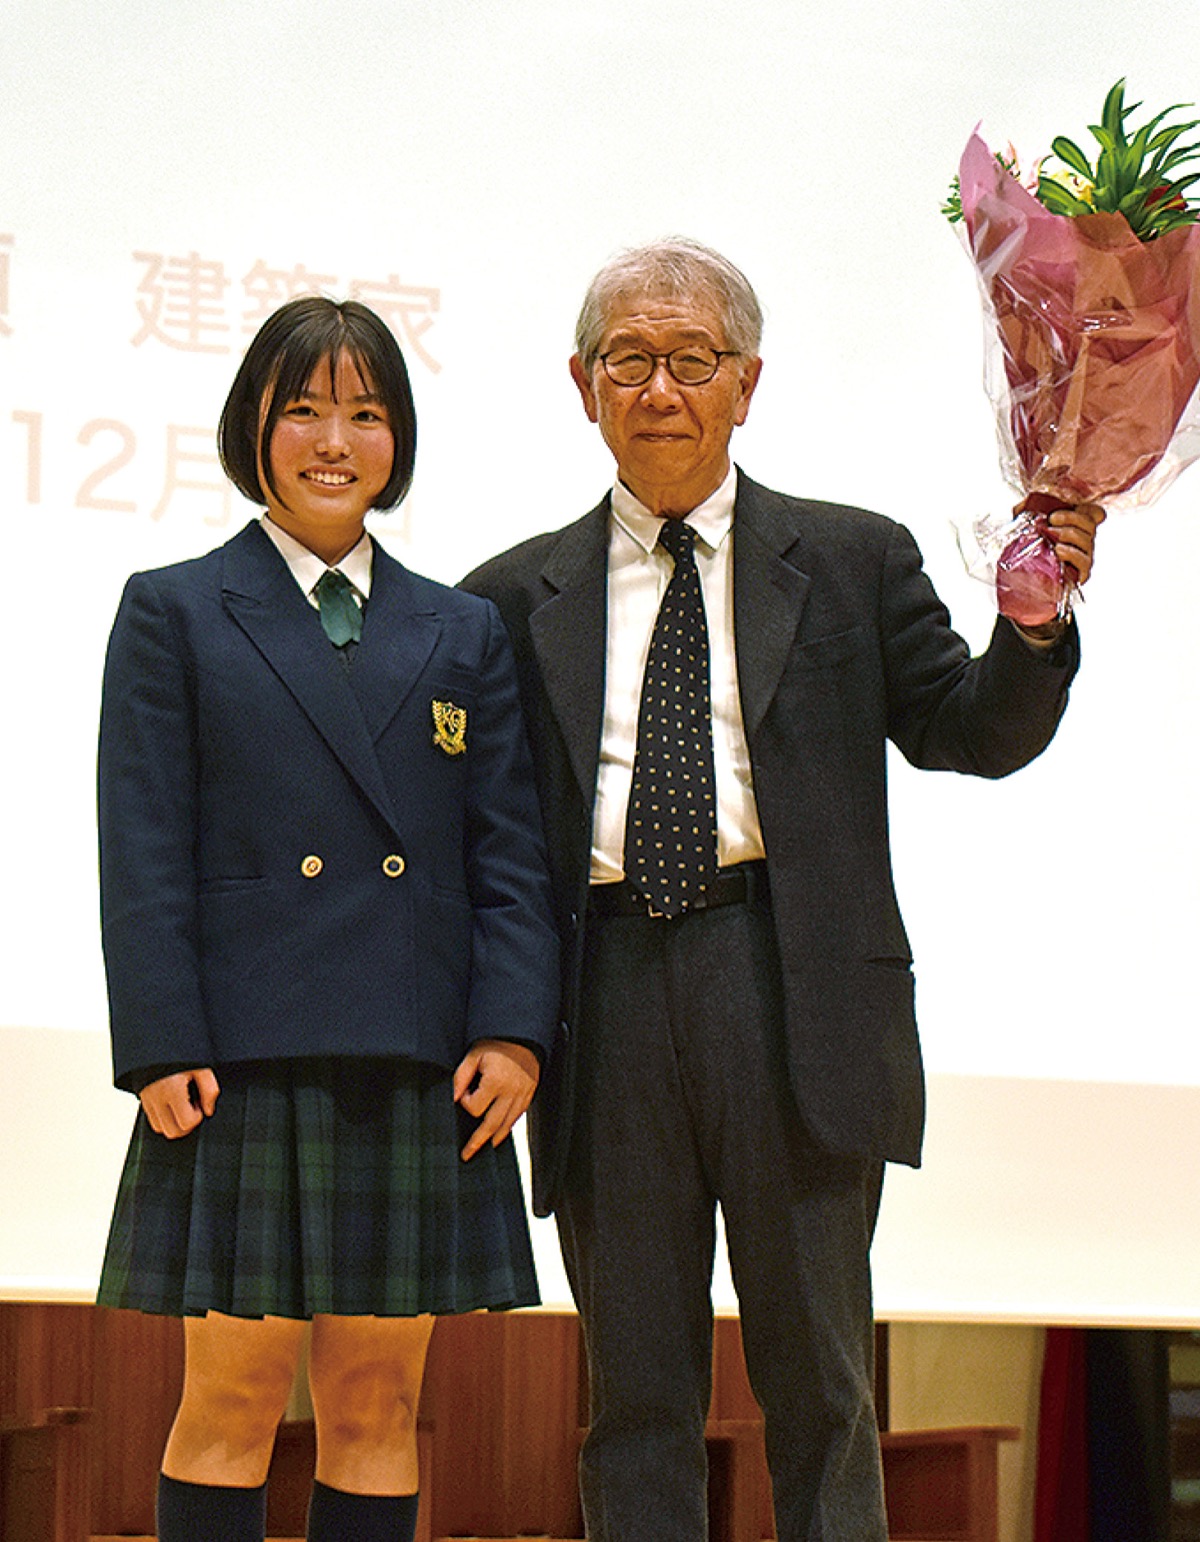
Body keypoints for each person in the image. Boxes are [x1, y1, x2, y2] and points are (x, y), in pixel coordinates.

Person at [461, 238, 1103, 1542]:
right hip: (609, 999)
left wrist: (1033, 625)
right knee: (635, 1391)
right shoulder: (506, 597)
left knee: (820, 1382)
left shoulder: (854, 560)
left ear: (745, 382)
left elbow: (971, 729)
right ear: (581, 386)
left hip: (795, 995)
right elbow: (478, 851)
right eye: (628, 359)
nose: (659, 389)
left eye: (690, 359)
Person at [96, 296, 559, 1542]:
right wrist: (159, 1043)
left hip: (413, 1062)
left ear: (396, 436)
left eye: (363, 411)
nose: (332, 439)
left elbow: (508, 849)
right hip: (239, 1060)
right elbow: (140, 848)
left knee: (375, 1402)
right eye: (302, 409)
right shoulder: (176, 609)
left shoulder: (463, 627)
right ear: (256, 423)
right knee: (231, 1398)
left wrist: (515, 1031)